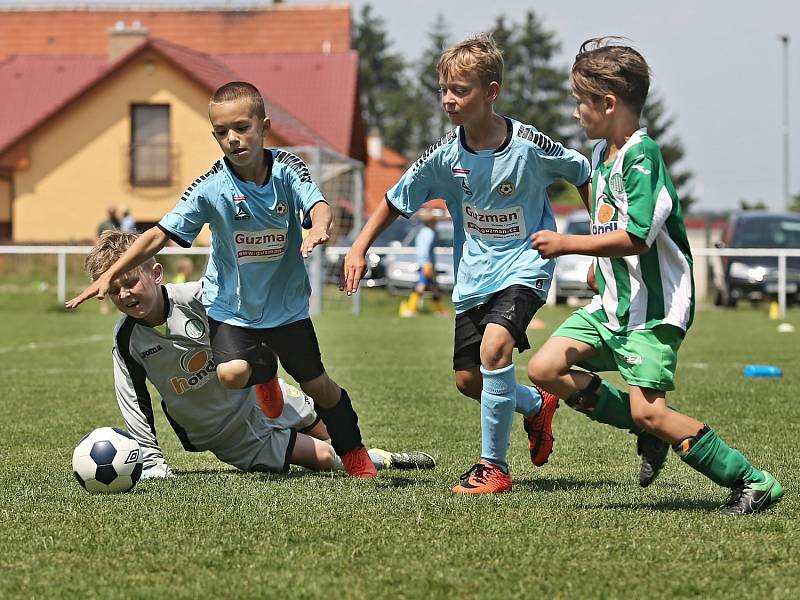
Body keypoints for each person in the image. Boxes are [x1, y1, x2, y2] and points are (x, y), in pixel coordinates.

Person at [67, 81, 377, 478]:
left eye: (242, 127)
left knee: (319, 387)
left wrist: (319, 227)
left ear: (264, 125)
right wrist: (109, 273)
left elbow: (317, 203)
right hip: (232, 307)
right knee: (232, 373)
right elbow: (159, 234)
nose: (232, 138)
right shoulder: (211, 187)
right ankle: (265, 379)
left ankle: (354, 451)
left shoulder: (287, 169)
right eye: (221, 132)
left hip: (286, 306)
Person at [527, 38, 783, 515]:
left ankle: (752, 480)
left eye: (581, 102)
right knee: (544, 369)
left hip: (654, 313)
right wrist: (597, 268)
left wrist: (568, 245)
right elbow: (612, 230)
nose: (576, 111)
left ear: (608, 103)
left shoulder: (642, 158)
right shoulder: (604, 156)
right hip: (612, 307)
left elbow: (638, 237)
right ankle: (646, 429)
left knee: (652, 409)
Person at [343, 34, 591, 494]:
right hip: (474, 277)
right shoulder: (445, 156)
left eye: (461, 90)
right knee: (468, 380)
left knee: (494, 349)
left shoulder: (529, 145)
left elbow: (583, 173)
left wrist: (593, 242)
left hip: (525, 266)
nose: (449, 100)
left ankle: (492, 468)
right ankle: (537, 406)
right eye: (444, 90)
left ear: (491, 92)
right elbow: (396, 199)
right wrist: (358, 247)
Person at [88, 231, 435, 478]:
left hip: (258, 392)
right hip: (224, 430)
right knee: (324, 457)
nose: (125, 293)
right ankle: (381, 459)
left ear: (156, 273)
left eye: (130, 281)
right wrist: (151, 461)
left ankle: (370, 455)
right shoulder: (128, 339)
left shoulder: (200, 297)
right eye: (114, 289)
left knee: (328, 433)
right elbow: (134, 401)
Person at [399, 209, 449, 318]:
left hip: (427, 264)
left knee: (434, 288)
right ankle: (410, 309)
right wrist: (426, 264)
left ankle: (441, 311)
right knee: (421, 286)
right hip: (426, 264)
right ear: (431, 222)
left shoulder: (422, 232)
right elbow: (423, 250)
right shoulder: (429, 233)